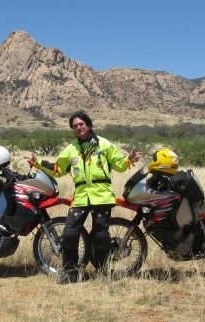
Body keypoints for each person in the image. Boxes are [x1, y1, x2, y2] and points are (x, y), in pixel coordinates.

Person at [26, 111, 143, 284]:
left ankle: (103, 272)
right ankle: (70, 272)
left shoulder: (103, 144)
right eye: (75, 126)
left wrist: (128, 159)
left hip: (101, 196)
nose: (79, 128)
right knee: (69, 233)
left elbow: (118, 164)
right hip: (81, 197)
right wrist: (38, 163)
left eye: (81, 124)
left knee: (100, 236)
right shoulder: (71, 148)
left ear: (88, 125)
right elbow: (58, 169)